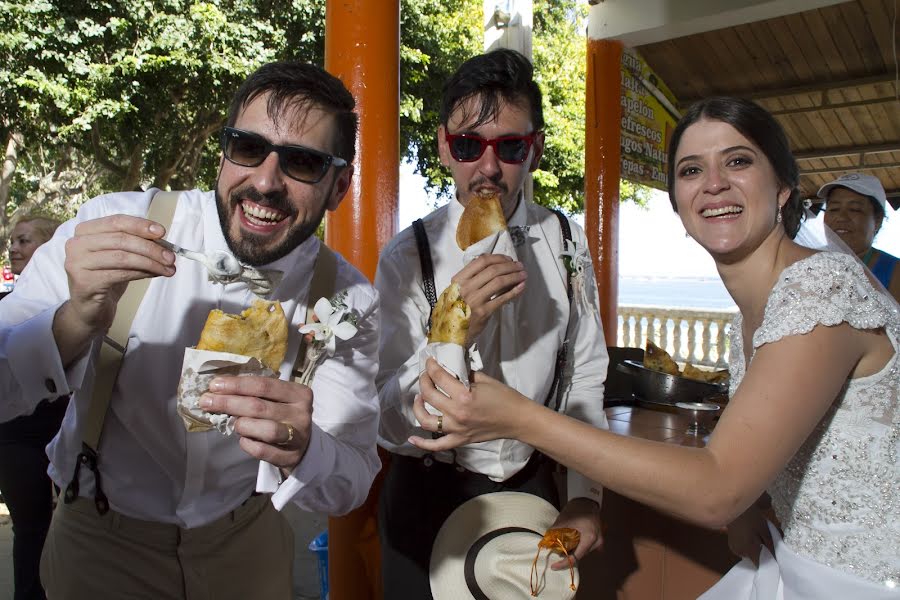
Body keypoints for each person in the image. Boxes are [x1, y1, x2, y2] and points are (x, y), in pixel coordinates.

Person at [413, 97, 899, 598]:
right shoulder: (757, 313)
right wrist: (755, 504)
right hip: (799, 559)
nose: (714, 183)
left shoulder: (820, 288)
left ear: (783, 190)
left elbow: (716, 490)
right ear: (679, 205)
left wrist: (520, 418)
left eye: (738, 161)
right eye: (692, 170)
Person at [0, 61, 381, 599]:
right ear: (223, 153)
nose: (266, 182)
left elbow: (353, 479)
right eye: (248, 148)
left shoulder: (349, 298)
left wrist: (304, 448)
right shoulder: (113, 226)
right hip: (100, 541)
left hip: (248, 547)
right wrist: (75, 321)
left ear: (340, 186)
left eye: (302, 162)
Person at [375, 48, 609, 599]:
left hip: (534, 488)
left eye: (509, 147)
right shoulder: (408, 256)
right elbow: (387, 421)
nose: (487, 168)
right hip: (427, 492)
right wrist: (453, 333)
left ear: (536, 149)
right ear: (442, 147)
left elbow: (584, 374)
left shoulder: (566, 240)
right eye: (466, 145)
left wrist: (585, 495)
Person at [0, 214, 64, 600]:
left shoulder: (83, 304)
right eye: (11, 241)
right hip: (16, 440)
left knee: (76, 526)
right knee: (30, 529)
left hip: (72, 434)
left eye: (23, 240)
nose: (13, 248)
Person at [818, 172, 900, 303]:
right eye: (833, 209)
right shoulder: (804, 261)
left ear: (877, 220)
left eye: (855, 209)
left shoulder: (895, 272)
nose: (841, 217)